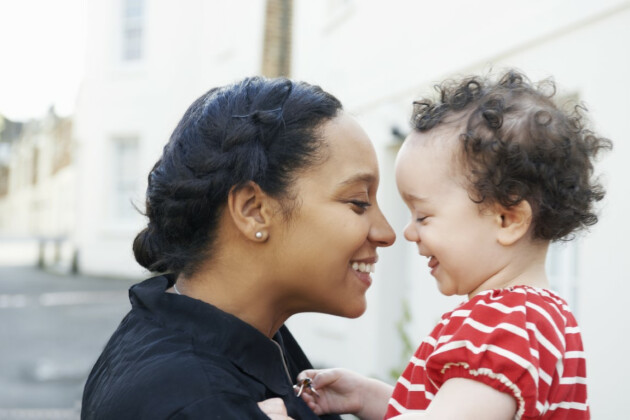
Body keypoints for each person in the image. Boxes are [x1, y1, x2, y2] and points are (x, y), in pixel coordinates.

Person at [295, 70, 612, 419]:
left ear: (507, 219)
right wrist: (364, 396)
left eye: (423, 216)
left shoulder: (505, 324)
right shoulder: (535, 318)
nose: (408, 233)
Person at [81, 76, 396, 419]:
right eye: (358, 201)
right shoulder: (195, 402)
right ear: (253, 211)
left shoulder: (248, 335)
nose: (386, 233)